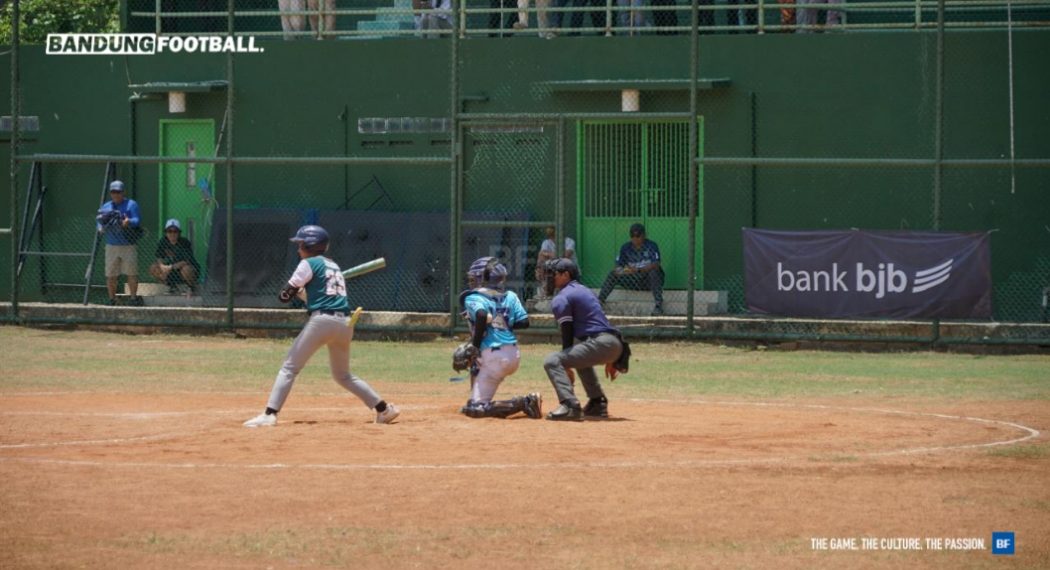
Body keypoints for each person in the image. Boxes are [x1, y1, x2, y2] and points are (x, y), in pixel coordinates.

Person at [243, 225, 400, 427]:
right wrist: (303, 293)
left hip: (323, 321)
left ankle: (269, 414)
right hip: (345, 323)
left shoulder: (308, 263)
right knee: (343, 375)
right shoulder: (333, 266)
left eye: (300, 244)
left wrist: (295, 290)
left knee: (289, 368)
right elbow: (321, 298)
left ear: (309, 245)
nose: (298, 249)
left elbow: (283, 296)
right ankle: (383, 409)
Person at [455, 256, 542, 419]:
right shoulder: (510, 296)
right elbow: (524, 322)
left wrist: (474, 346)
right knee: (477, 363)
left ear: (483, 279)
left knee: (476, 410)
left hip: (493, 356)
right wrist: (501, 323)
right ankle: (476, 396)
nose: (471, 281)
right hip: (513, 354)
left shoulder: (473, 297)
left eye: (474, 278)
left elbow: (481, 315)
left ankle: (525, 402)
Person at [541, 258, 625, 421]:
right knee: (578, 352)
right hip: (614, 343)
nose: (549, 278)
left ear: (566, 275)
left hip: (601, 343)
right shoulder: (584, 290)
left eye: (553, 274)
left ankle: (570, 406)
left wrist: (565, 365)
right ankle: (597, 402)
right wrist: (617, 356)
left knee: (552, 361)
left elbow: (567, 331)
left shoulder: (562, 297)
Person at [597, 223, 665, 316]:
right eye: (632, 236)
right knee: (613, 274)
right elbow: (618, 266)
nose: (635, 239)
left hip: (647, 281)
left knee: (654, 272)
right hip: (633, 279)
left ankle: (658, 306)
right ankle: (599, 301)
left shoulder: (651, 246)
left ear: (644, 235)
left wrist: (639, 269)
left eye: (638, 236)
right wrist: (624, 271)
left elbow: (656, 264)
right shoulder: (626, 248)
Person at [95, 180, 143, 306]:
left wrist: (129, 221)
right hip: (112, 245)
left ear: (123, 192)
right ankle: (112, 299)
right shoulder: (106, 206)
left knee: (131, 272)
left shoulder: (131, 204)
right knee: (111, 274)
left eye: (118, 192)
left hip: (128, 244)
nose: (116, 194)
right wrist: (99, 228)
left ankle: (133, 299)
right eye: (113, 192)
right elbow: (99, 220)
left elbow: (137, 220)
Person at [149, 218, 200, 295]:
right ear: (166, 233)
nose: (172, 234)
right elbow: (159, 257)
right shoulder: (163, 241)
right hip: (170, 271)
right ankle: (171, 286)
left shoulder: (184, 242)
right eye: (169, 231)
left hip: (182, 270)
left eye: (175, 231)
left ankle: (190, 287)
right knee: (153, 268)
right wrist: (162, 266)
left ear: (179, 233)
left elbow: (186, 261)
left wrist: (171, 267)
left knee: (186, 269)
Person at [534, 226, 576, 300]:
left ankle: (553, 291)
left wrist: (549, 255)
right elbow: (542, 254)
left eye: (553, 235)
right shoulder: (546, 242)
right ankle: (545, 290)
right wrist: (556, 255)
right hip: (554, 266)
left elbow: (566, 255)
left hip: (568, 267)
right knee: (542, 259)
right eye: (551, 236)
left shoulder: (569, 241)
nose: (552, 238)